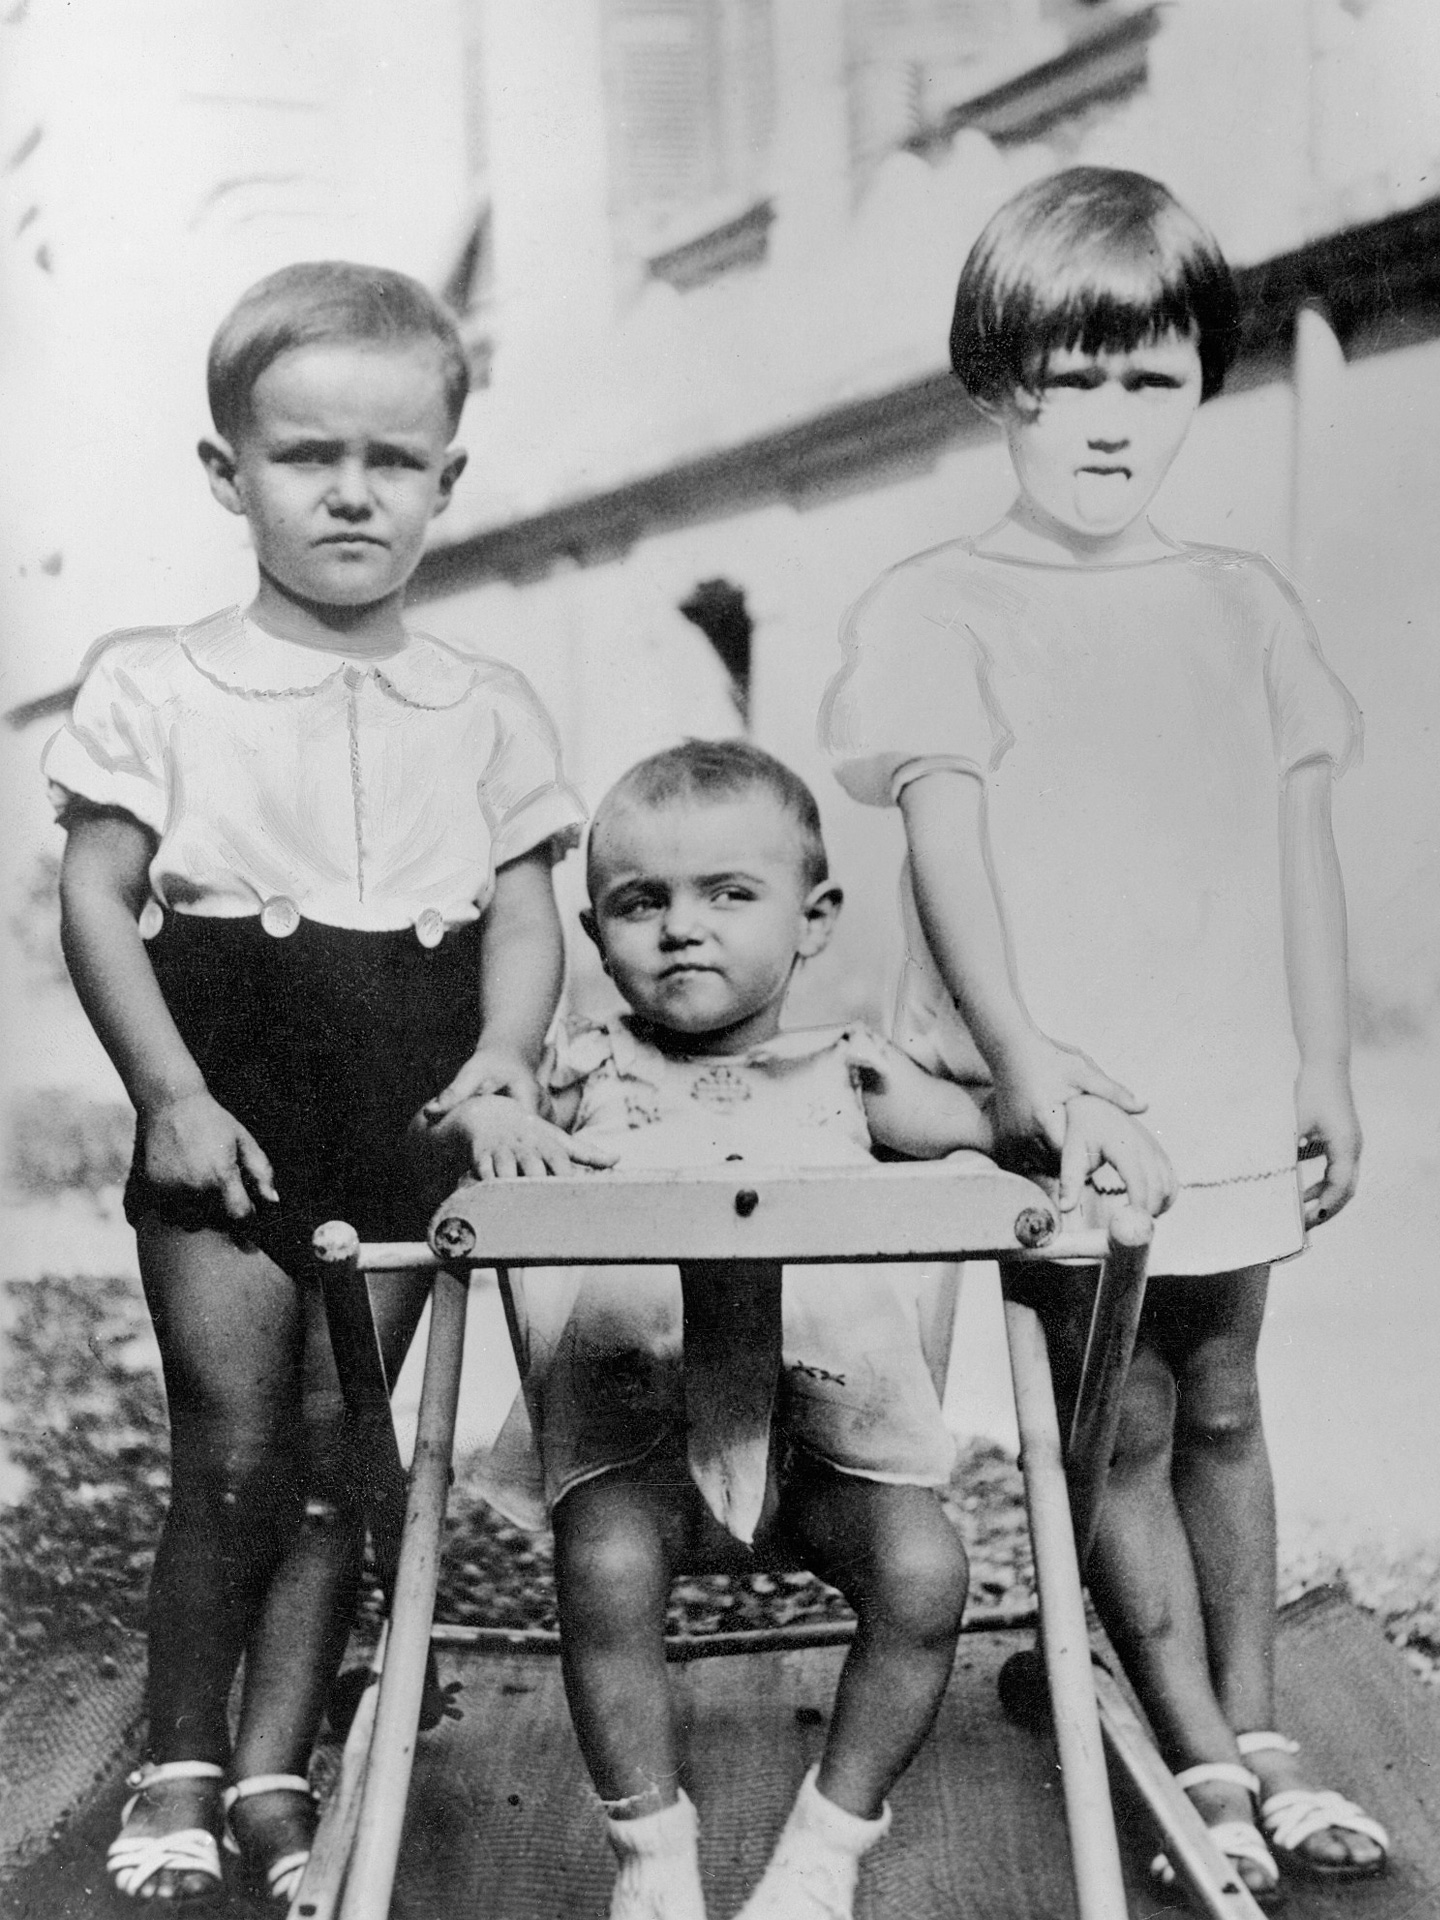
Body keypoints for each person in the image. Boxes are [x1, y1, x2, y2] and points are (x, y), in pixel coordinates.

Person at [819, 165, 1390, 1902]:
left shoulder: (1242, 602)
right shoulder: (943, 604)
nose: (1113, 419)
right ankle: (1195, 1753)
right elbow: (951, 852)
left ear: (1202, 388)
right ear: (1003, 382)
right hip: (1060, 1085)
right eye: (1075, 379)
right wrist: (1024, 1070)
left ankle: (1262, 1728)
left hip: (1218, 1067)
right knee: (1117, 1420)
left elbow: (1295, 850)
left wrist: (1321, 1061)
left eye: (1154, 379)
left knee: (1225, 1395)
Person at [43, 261, 598, 1906]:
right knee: (231, 1449)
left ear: (448, 478)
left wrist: (503, 1061)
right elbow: (96, 895)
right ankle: (180, 1759)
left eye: (392, 459)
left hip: (407, 1093)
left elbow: (522, 913)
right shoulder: (158, 679)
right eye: (305, 456)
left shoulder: (483, 705)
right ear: (230, 474)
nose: (351, 491)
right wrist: (166, 1093)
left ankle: (281, 1763)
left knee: (356, 1451)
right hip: (227, 1083)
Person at [458, 739, 1173, 1920]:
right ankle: (652, 1850)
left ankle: (827, 1843)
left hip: (828, 1441)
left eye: (729, 895)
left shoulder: (850, 1073)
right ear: (595, 935)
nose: (682, 930)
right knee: (603, 1565)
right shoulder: (583, 1069)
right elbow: (486, 1113)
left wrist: (1073, 1107)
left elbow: (1001, 1129)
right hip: (641, 1445)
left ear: (815, 917)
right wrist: (493, 1120)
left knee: (925, 1569)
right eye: (641, 904)